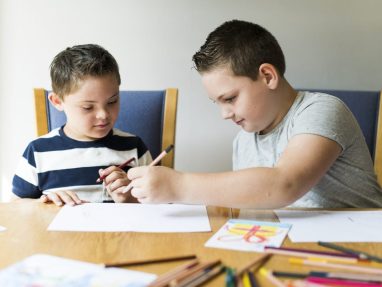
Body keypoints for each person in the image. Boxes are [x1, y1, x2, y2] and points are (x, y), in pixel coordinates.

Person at [126, 19, 382, 208]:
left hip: (360, 247)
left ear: (268, 76)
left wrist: (178, 186)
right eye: (217, 102)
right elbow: (250, 204)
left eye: (230, 98)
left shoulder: (321, 110)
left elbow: (284, 184)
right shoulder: (244, 140)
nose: (224, 114)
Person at [12, 44, 152, 206]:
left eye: (112, 101)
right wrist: (44, 203)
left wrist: (131, 199)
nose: (104, 114)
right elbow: (15, 206)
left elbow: (160, 206)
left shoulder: (135, 147)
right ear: (57, 101)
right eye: (88, 107)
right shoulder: (38, 152)